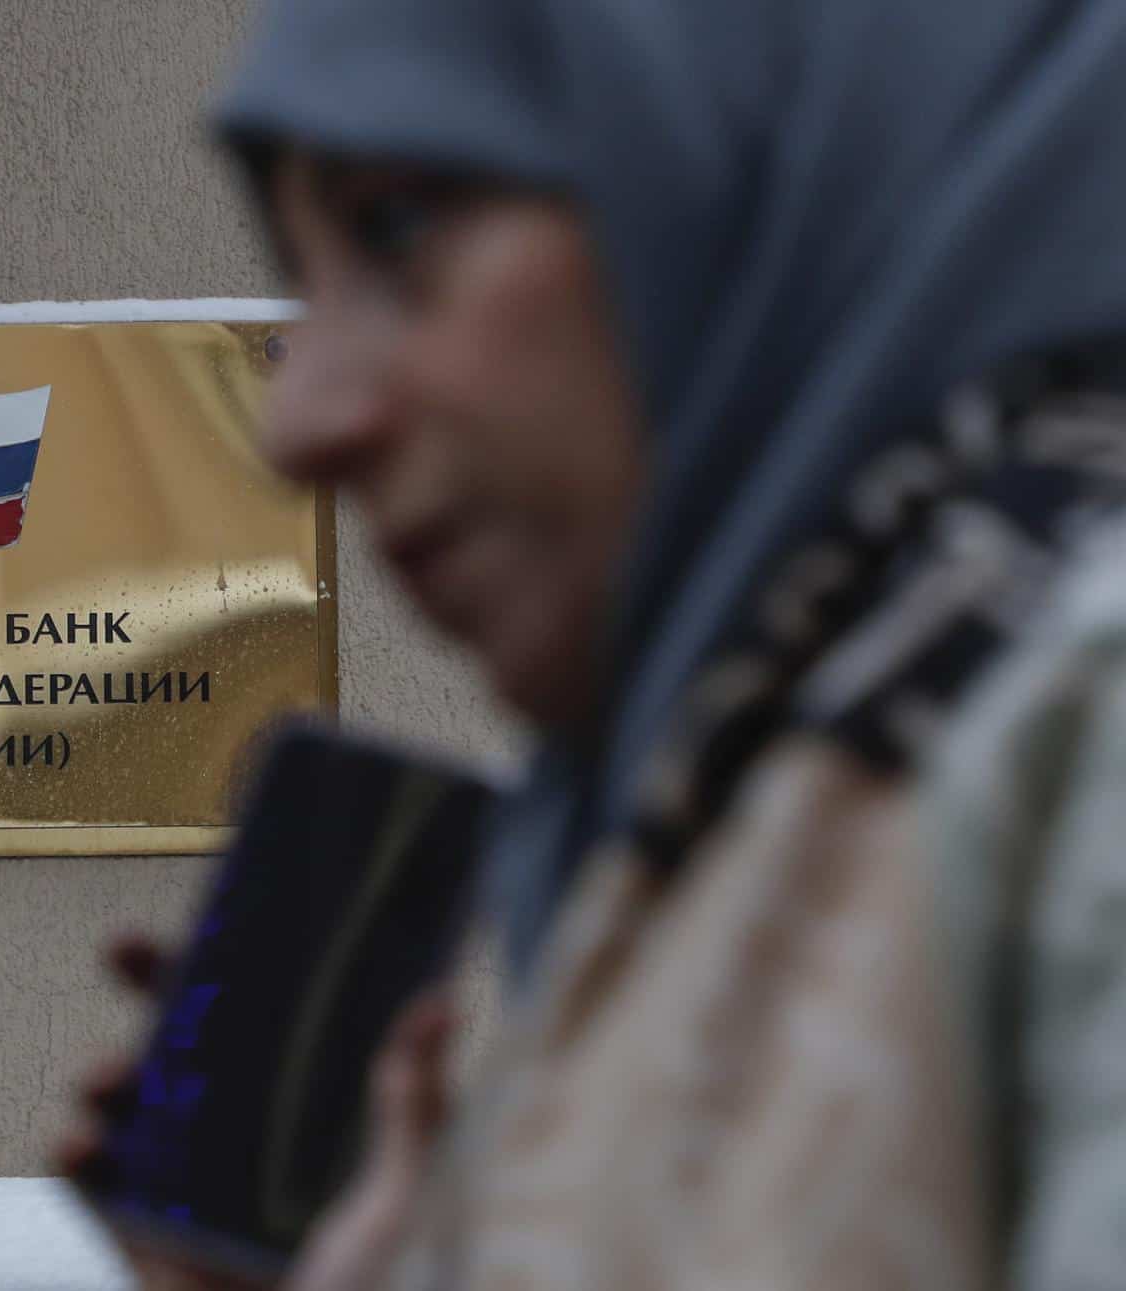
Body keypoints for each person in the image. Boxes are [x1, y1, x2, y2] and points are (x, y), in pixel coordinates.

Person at [61, 0, 1126, 1288]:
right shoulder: (706, 816)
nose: (298, 422)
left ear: (752, 158)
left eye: (396, 223)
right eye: (300, 279)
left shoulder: (1080, 714)